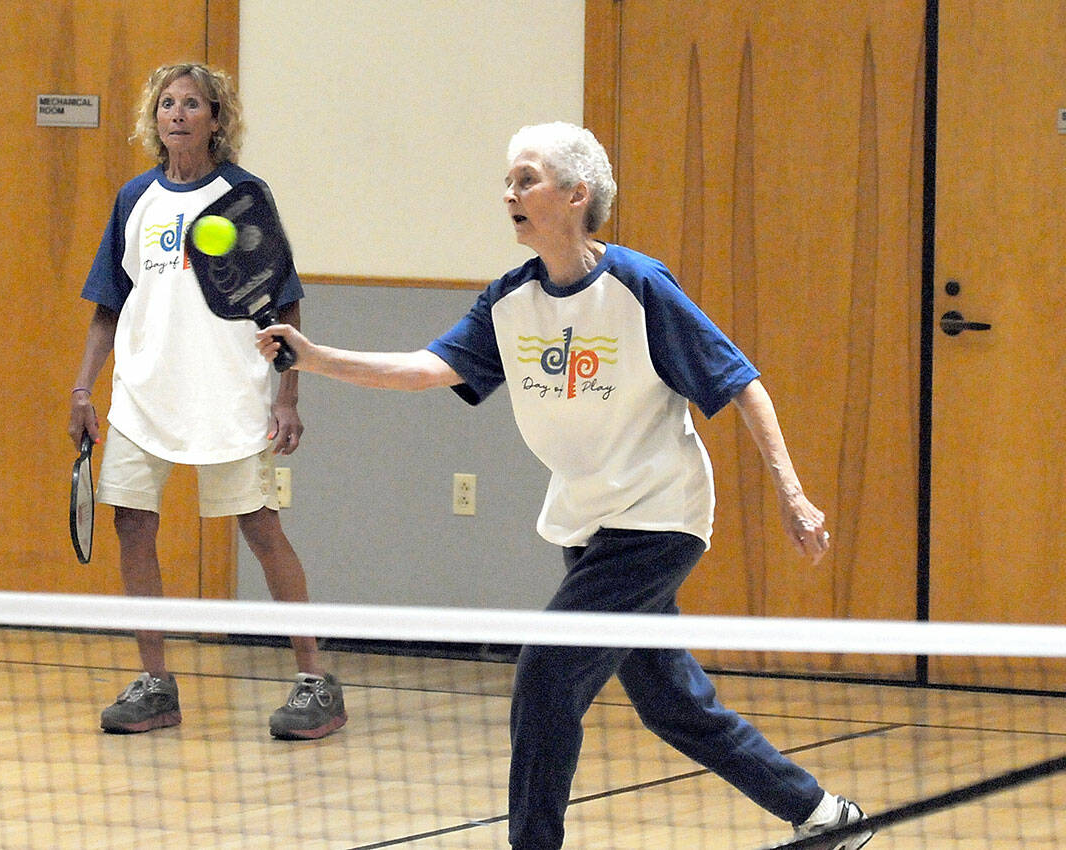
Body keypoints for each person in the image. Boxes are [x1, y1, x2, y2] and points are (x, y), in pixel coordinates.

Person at [255, 122, 871, 849]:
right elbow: (426, 369)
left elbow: (741, 383)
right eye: (508, 182)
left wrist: (792, 495)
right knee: (674, 706)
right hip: (587, 521)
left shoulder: (640, 286)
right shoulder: (511, 300)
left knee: (545, 675)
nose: (509, 194)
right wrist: (313, 357)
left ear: (577, 195)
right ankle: (824, 815)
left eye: (527, 180)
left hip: (658, 517)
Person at [68, 62, 345, 741]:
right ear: (154, 118)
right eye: (168, 103)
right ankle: (156, 684)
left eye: (193, 103)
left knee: (260, 528)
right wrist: (82, 388)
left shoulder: (243, 195)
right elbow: (108, 304)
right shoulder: (135, 198)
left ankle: (316, 681)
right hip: (143, 396)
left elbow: (285, 300)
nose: (178, 114)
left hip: (229, 396)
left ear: (216, 119)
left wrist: (288, 395)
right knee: (132, 524)